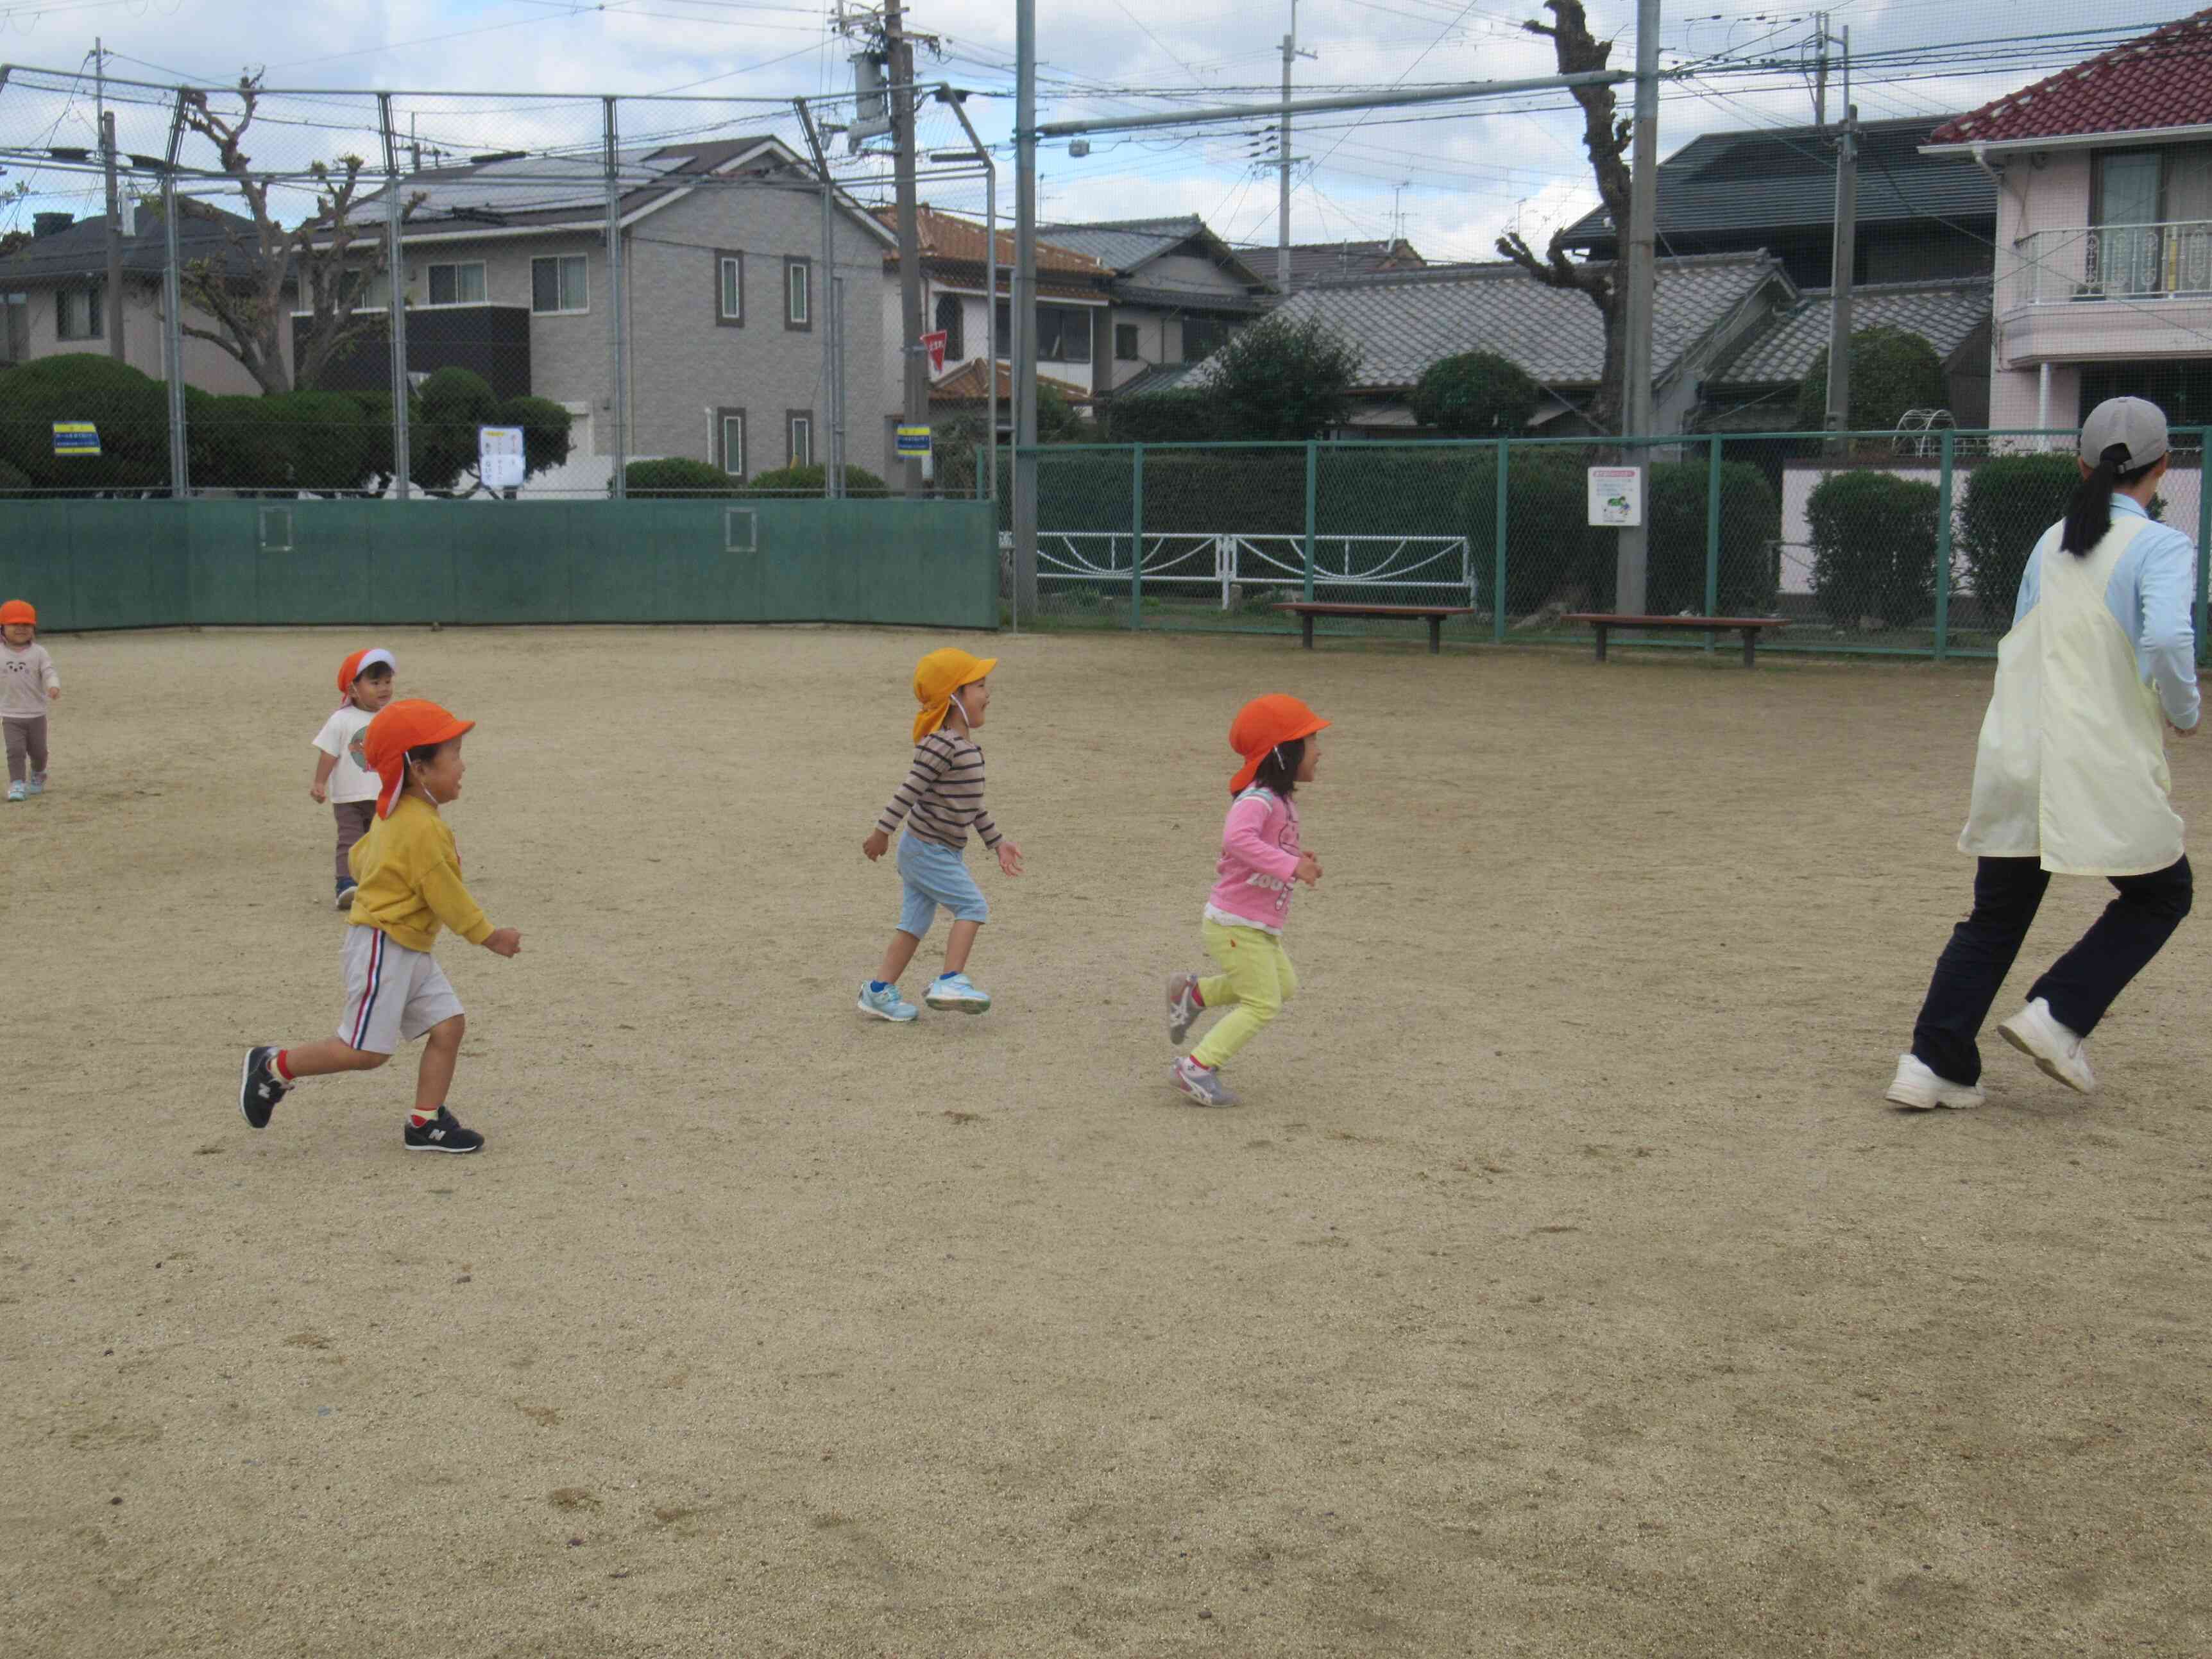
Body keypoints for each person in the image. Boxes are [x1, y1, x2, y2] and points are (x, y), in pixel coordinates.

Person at [1889, 396, 2198, 1110]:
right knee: (2161, 893)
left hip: (2017, 748)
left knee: (1995, 914)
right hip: (2094, 755)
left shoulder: (2050, 540)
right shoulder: (2161, 546)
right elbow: (2166, 642)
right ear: (2165, 469)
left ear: (2080, 464)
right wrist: (2184, 710)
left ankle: (1931, 1062)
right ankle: (2058, 1014)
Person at [239, 699, 523, 1153]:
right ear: (420, 770)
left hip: (408, 945)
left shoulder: (399, 816)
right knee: (365, 1053)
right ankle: (274, 1067)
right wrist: (490, 936)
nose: (463, 766)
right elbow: (445, 893)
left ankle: (424, 1121)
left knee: (448, 1025)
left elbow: (358, 857)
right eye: (454, 757)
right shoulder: (418, 827)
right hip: (384, 945)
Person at [1166, 695, 1328, 1107]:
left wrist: (1296, 858)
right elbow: (1237, 840)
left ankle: (1194, 994)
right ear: (1285, 752)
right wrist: (1290, 868)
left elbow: (1266, 846)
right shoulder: (1257, 798)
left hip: (1255, 924)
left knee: (1283, 986)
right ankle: (1196, 1068)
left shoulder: (1283, 801)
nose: (1320, 752)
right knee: (1263, 1002)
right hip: (1235, 923)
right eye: (1312, 743)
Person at [858, 647, 1022, 1021]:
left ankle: (878, 992)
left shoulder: (963, 748)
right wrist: (881, 832)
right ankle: (950, 979)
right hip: (926, 850)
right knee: (973, 907)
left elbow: (972, 803)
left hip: (935, 851)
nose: (988, 694)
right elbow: (909, 790)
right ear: (954, 698)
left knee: (913, 925)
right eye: (979, 686)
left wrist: (997, 842)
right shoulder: (943, 745)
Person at [311, 648, 396, 910]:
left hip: (383, 796)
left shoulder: (392, 718)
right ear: (353, 688)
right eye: (375, 683)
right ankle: (346, 885)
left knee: (380, 841)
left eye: (388, 682)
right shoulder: (341, 719)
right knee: (350, 840)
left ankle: (376, 886)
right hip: (348, 796)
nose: (384, 688)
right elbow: (329, 753)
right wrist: (319, 782)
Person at [1, 598, 60, 803]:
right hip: (10, 714)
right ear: (2, 627)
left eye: (26, 624)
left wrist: (53, 685)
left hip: (36, 714)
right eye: (14, 624)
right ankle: (17, 783)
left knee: (39, 751)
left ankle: (38, 772)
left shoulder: (39, 652)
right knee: (15, 750)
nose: (21, 628)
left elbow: (48, 671)